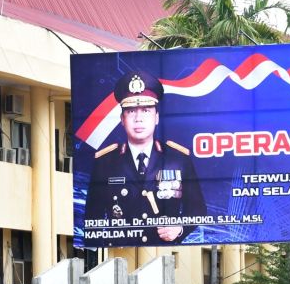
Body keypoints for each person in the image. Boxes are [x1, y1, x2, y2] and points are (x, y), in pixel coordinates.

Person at [83, 69, 203, 245]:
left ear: (156, 117)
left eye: (146, 110)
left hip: (165, 250)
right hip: (120, 251)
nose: (138, 118)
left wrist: (180, 228)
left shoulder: (178, 159)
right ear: (122, 119)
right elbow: (92, 218)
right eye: (131, 111)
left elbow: (197, 209)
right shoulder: (104, 162)